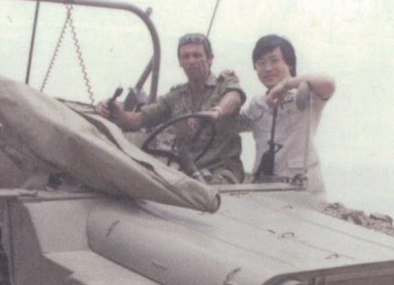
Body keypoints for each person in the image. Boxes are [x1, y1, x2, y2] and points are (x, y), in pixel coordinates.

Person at [99, 33, 246, 184]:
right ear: (180, 62)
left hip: (222, 171)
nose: (191, 61)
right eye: (186, 57)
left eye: (197, 55)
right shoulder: (175, 96)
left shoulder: (225, 83)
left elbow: (234, 97)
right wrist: (115, 111)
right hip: (188, 172)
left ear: (209, 59)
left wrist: (215, 112)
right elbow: (137, 120)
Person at [241, 34, 335, 195]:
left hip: (301, 187)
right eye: (261, 63)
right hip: (262, 186)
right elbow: (229, 124)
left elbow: (328, 82)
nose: (268, 68)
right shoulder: (257, 103)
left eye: (274, 60)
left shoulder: (305, 93)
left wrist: (285, 86)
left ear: (289, 63)